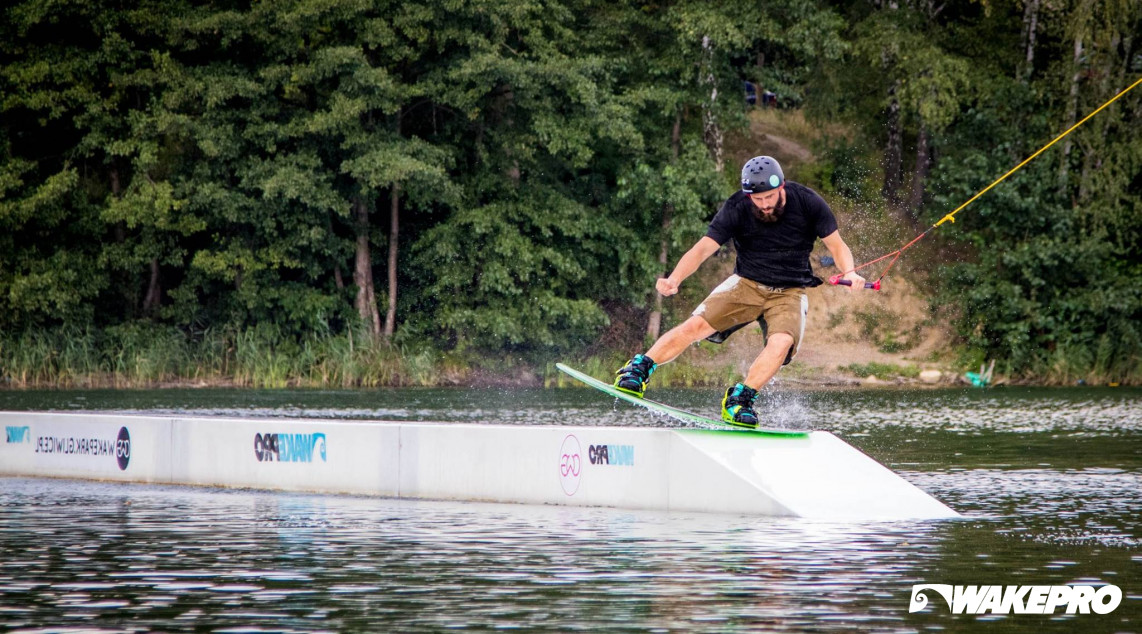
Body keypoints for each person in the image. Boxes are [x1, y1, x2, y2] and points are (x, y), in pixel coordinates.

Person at [614, 156, 866, 428]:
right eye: (757, 199)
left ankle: (740, 401)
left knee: (781, 343)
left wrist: (850, 272)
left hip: (789, 291)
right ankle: (639, 369)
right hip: (745, 283)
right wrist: (675, 278)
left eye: (770, 196)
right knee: (696, 326)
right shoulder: (736, 206)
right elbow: (702, 249)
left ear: (782, 187)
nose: (765, 204)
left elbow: (837, 247)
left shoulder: (807, 202)